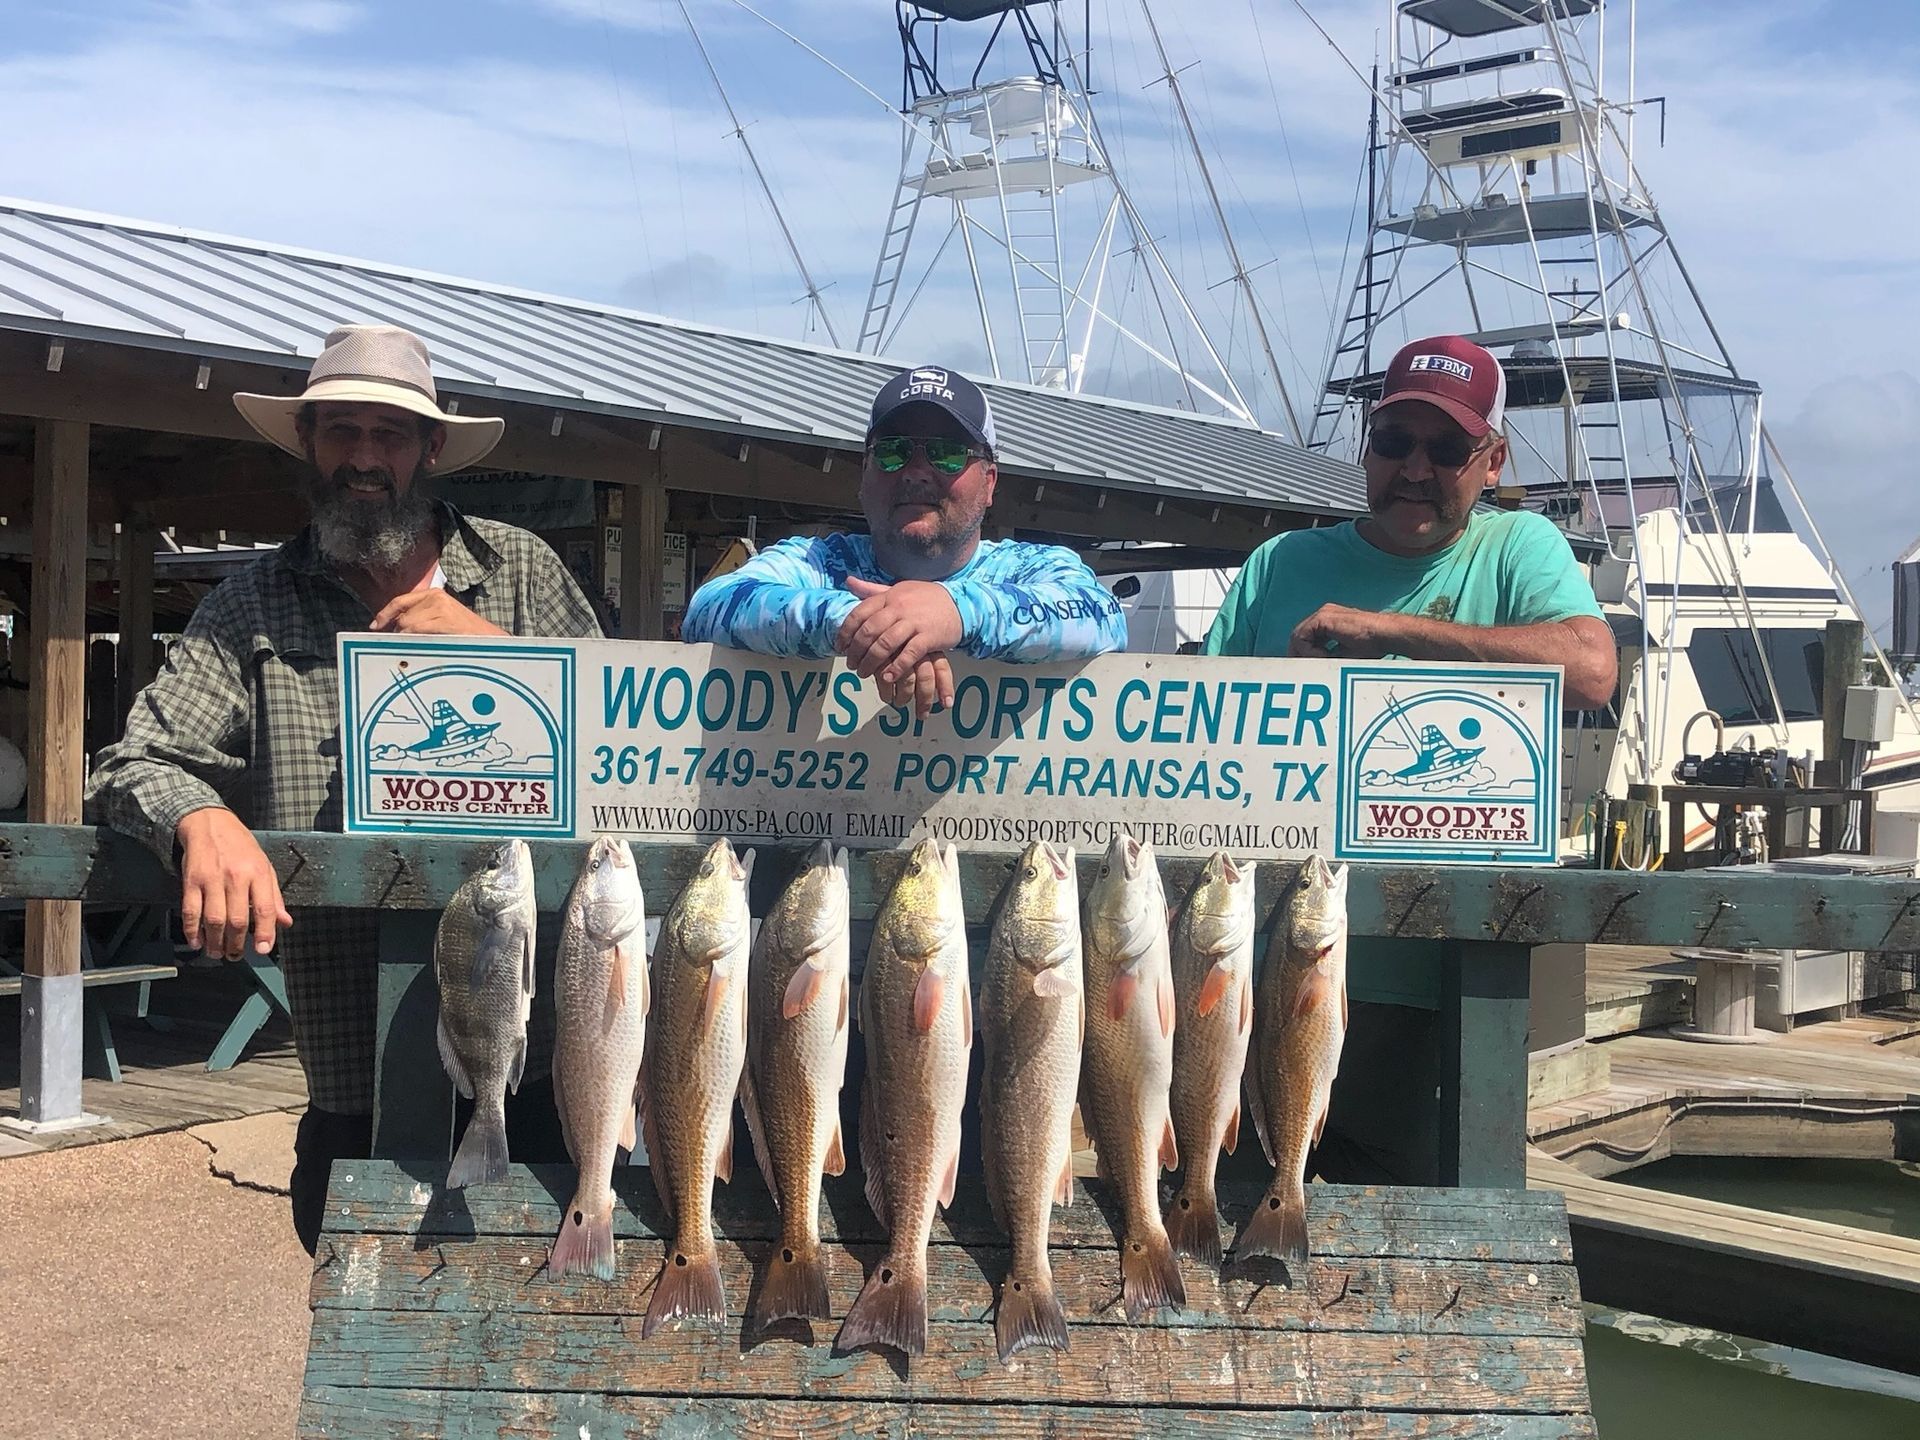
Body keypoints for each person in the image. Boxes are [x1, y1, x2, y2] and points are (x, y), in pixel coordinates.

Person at [86, 325, 603, 1253]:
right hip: (352, 1055)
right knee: (360, 1328)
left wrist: (498, 657)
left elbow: (622, 745)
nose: (365, 457)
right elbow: (135, 760)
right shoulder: (251, 603)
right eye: (341, 432)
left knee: (539, 1331)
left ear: (431, 450)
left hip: (537, 1055)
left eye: (390, 434)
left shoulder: (521, 574)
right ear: (309, 445)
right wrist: (199, 814)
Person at [1205, 334, 1618, 1186]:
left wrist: (1387, 630)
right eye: (1395, 444)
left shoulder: (1519, 549)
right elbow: (1200, 736)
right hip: (1257, 969)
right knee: (1224, 1215)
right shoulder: (1279, 563)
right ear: (1367, 449)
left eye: (1448, 449)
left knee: (1410, 1237)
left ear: (1492, 460)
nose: (1416, 470)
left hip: (1426, 986)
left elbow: (1590, 669)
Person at [682, 364, 1126, 708]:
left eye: (947, 454)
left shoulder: (1029, 569)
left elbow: (1103, 615)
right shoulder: (817, 565)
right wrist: (866, 625)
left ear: (990, 482)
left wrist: (957, 612)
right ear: (864, 475)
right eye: (893, 452)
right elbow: (709, 607)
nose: (915, 472)